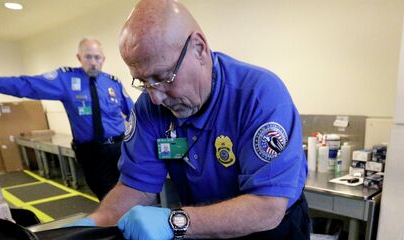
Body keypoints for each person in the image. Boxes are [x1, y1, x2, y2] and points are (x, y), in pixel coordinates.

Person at [72, 0, 310, 239]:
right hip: (201, 223)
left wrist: (175, 222)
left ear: (199, 48)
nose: (155, 97)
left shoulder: (259, 95)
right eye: (143, 82)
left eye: (163, 77)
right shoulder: (149, 108)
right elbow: (135, 186)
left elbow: (267, 207)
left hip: (270, 229)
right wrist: (87, 228)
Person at [0, 38, 133, 200]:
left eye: (97, 57)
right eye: (88, 57)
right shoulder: (66, 80)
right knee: (106, 196)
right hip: (92, 152)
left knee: (128, 190)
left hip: (119, 148)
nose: (93, 62)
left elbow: (133, 113)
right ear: (79, 58)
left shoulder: (112, 83)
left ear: (103, 59)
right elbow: (25, 85)